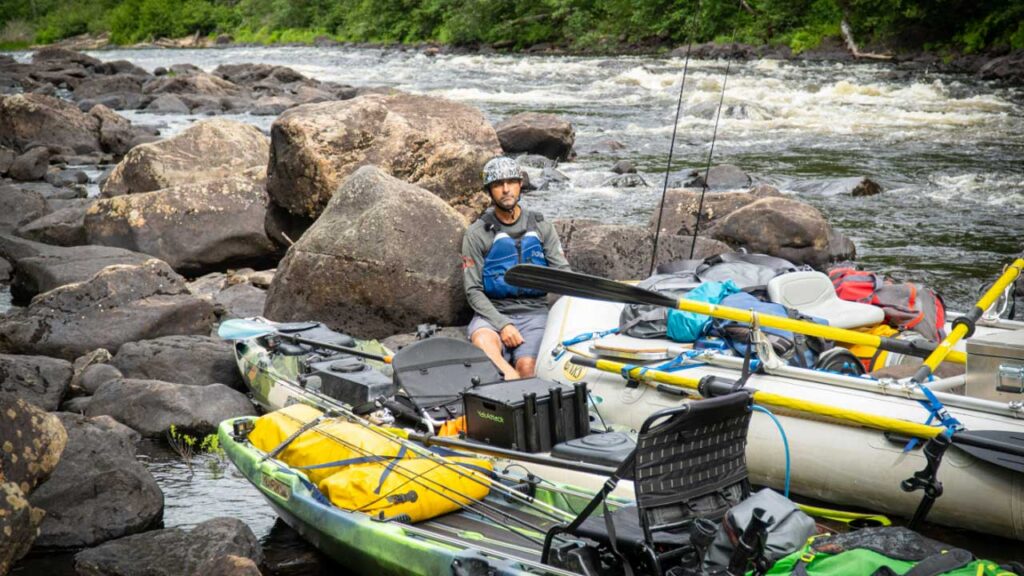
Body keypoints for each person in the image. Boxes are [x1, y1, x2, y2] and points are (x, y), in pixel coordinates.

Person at [462, 156, 570, 380]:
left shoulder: (541, 226)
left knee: (529, 368)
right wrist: (503, 325)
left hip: (535, 313)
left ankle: (520, 383)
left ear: (520, 184)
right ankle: (512, 384)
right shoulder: (476, 234)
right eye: (498, 185)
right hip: (492, 313)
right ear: (490, 191)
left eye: (511, 182)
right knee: (483, 343)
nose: (505, 189)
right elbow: (473, 290)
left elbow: (563, 274)